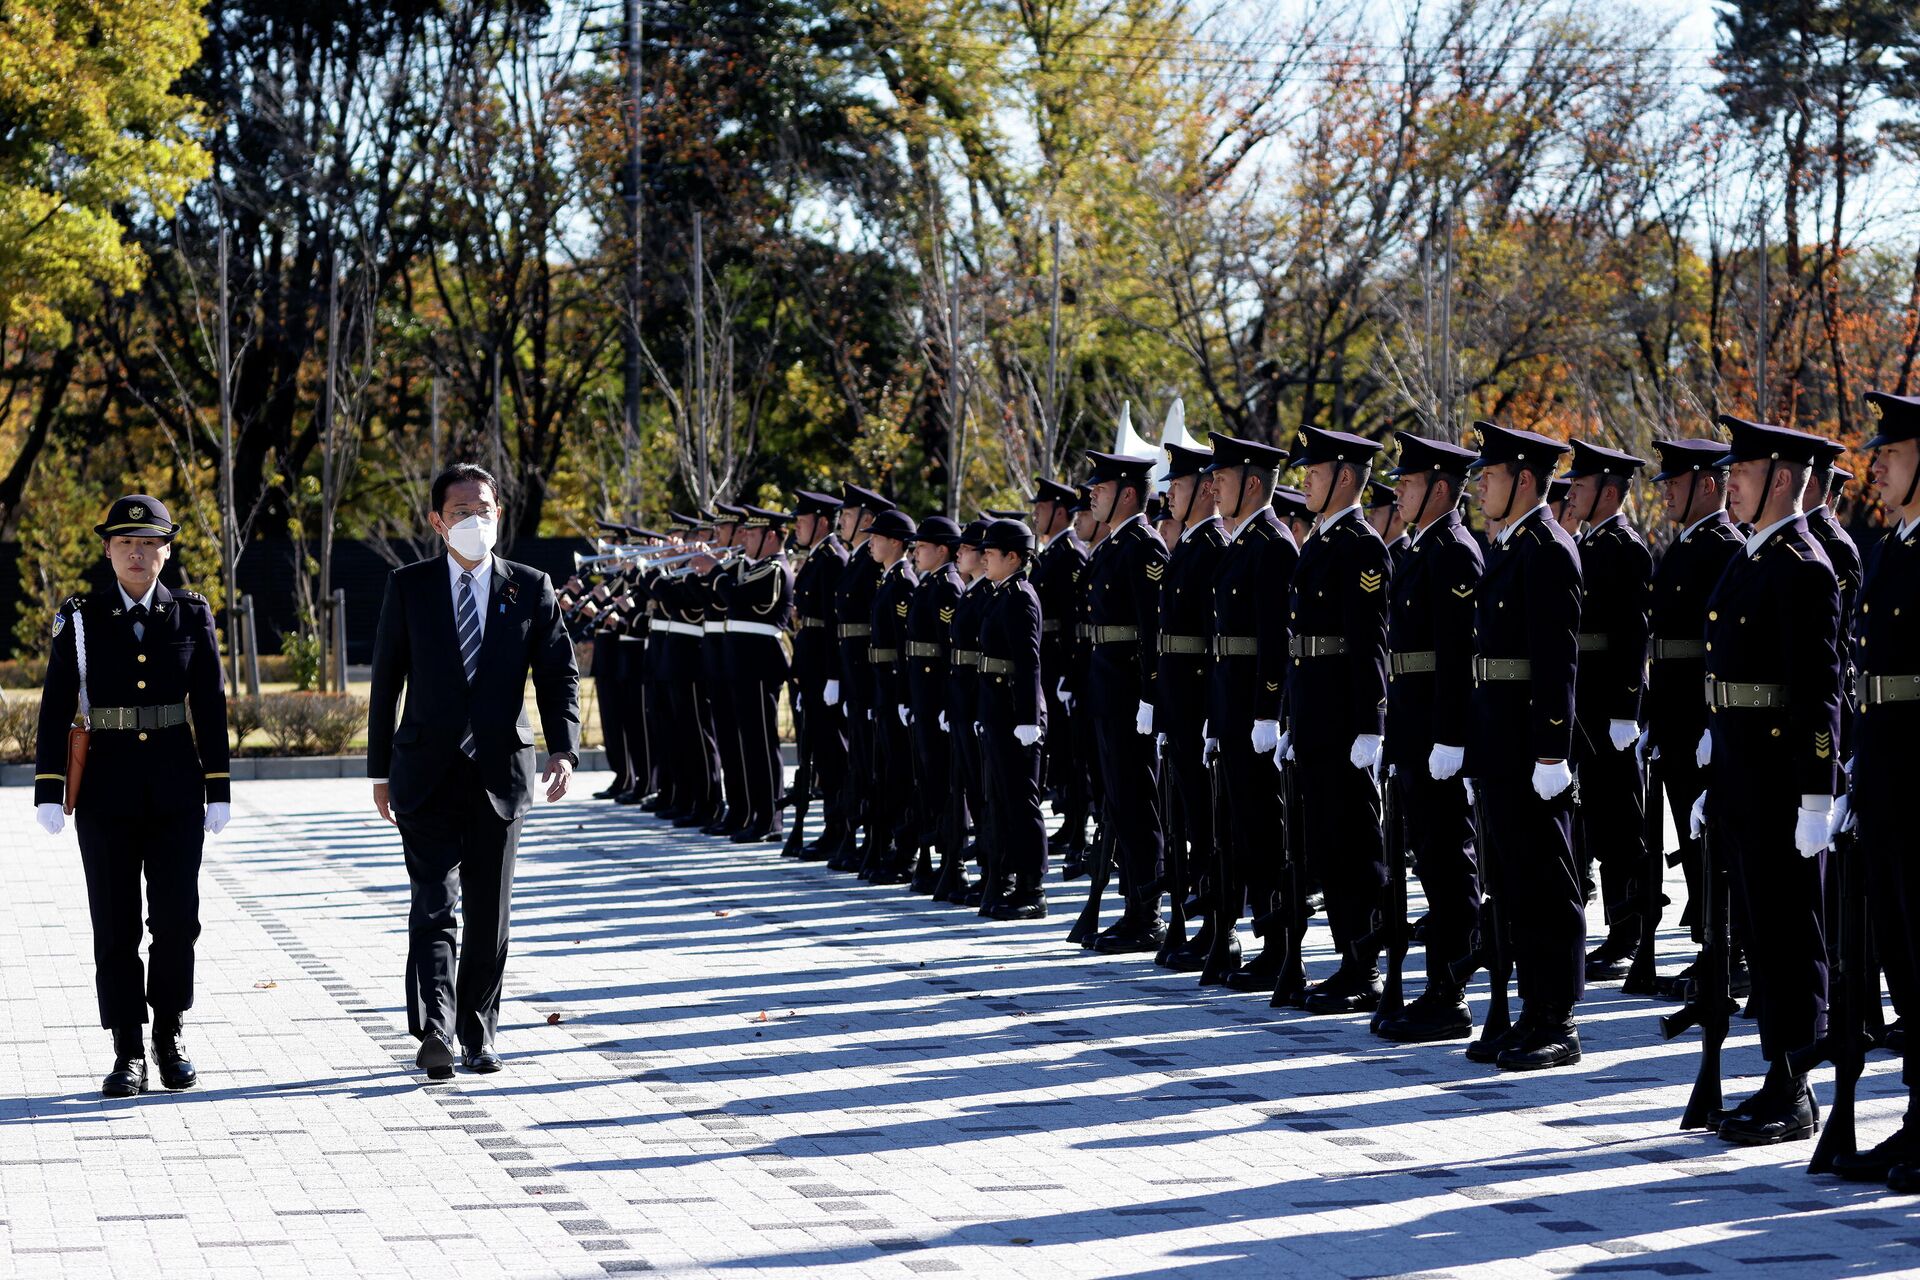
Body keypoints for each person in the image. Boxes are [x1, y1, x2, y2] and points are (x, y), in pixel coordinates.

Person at [367, 463, 580, 1079]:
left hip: (500, 773)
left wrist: (562, 750)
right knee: (433, 904)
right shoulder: (409, 587)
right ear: (438, 521)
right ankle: (434, 1027)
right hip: (425, 772)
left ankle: (478, 1031)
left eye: (483, 508)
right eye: (460, 510)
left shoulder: (530, 587)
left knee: (489, 910)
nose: (474, 519)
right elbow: (385, 685)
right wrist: (379, 770)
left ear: (499, 515)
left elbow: (558, 673)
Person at [33, 495, 232, 1097]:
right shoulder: (82, 617)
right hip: (107, 791)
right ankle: (126, 1047)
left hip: (175, 786)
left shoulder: (192, 614)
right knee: (114, 923)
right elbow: (54, 704)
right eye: (126, 544)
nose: (138, 554)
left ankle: (168, 1033)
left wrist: (217, 786)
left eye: (150, 544)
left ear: (167, 550)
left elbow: (213, 705)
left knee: (177, 921)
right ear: (109, 551)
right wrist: (48, 785)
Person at [1693, 416, 1842, 1145]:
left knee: (1790, 932)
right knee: (1759, 931)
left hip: (1782, 784)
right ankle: (1776, 1072)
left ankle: (1797, 1081)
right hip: (1742, 775)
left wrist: (1818, 794)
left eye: (1742, 475)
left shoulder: (1803, 565)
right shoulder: (1749, 559)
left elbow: (1818, 694)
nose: (1731, 486)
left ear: (1780, 480)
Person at [1464, 422, 1584, 1070]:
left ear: (1525, 480)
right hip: (1499, 741)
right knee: (1509, 885)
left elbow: (1555, 661)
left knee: (1545, 884)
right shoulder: (1511, 547)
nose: (1482, 484)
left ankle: (1556, 1019)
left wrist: (1551, 752)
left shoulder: (1549, 549)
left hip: (1530, 749)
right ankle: (1527, 1009)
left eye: (1492, 474)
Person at [1831, 390, 1920, 1186]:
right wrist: (1855, 762)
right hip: (1889, 774)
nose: (1877, 464)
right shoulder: (1892, 546)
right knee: (1903, 959)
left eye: (1893, 452)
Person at [1277, 426, 1392, 1013]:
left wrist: (1371, 724)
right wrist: (1290, 718)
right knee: (1325, 839)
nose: (1305, 481)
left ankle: (1363, 961)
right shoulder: (1321, 542)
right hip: (1315, 714)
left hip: (1346, 721)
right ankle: (1348, 952)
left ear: (1344, 477)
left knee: (1354, 843)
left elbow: (1368, 642)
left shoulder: (1360, 546)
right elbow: (1299, 641)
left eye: (1314, 472)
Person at [1374, 435, 1485, 1042]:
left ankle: (1451, 989)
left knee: (1449, 862)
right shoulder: (1418, 551)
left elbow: (1456, 656)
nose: (1400, 494)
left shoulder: (1456, 554)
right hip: (1413, 732)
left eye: (1409, 484)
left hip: (1438, 739)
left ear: (1440, 490)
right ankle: (1437, 981)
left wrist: (1451, 738)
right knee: (1430, 859)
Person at [1641, 439, 1744, 997]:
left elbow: (1721, 644)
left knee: (1713, 839)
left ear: (1709, 484)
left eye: (1675, 485)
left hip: (1702, 716)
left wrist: (1712, 723)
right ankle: (1712, 944)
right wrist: (1653, 716)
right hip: (1677, 714)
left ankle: (1729, 947)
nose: (1666, 497)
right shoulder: (1684, 547)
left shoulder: (1725, 547)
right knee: (1689, 829)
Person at [1198, 433, 1296, 986]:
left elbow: (1275, 638)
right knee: (1238, 827)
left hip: (1255, 711)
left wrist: (1268, 711)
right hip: (1231, 706)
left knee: (1265, 829)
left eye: (1224, 478)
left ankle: (1281, 942)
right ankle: (1264, 936)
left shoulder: (1274, 544)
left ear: (1252, 484)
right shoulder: (1239, 543)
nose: (1214, 486)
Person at [1558, 441, 1653, 983]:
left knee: (1618, 822)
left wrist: (1626, 709)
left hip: (1606, 707)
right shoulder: (1584, 543)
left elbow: (1631, 635)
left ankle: (1628, 927)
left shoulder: (1624, 547)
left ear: (1610, 492)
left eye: (1583, 484)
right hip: (1580, 702)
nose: (1572, 492)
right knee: (1588, 817)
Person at [1081, 448, 1170, 952]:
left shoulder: (1143, 547)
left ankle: (1147, 909)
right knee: (1118, 800)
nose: (1093, 492)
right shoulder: (1112, 546)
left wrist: (1150, 695)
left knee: (1138, 802)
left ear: (1129, 494)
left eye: (1102, 485)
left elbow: (1153, 629)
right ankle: (1133, 904)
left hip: (1130, 695)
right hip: (1106, 691)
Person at [1152, 440, 1226, 965]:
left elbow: (1214, 643)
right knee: (1192, 821)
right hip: (1180, 705)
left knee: (1210, 821)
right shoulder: (1188, 547)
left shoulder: (1214, 547)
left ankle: (1221, 926)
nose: (1171, 496)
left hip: (1201, 706)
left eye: (1177, 486)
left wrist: (1206, 715)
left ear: (1204, 488)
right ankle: (1204, 920)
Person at [975, 518, 1049, 919]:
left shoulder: (1021, 596)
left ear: (1014, 557)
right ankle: (1006, 880)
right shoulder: (999, 593)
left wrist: (1026, 717)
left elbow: (1028, 660)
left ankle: (1032, 889)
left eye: (992, 552)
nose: (984, 558)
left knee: (1023, 802)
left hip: (1015, 712)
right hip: (997, 708)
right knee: (1002, 800)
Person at [713, 506, 795, 843]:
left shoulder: (775, 570)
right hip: (742, 662)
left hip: (761, 663)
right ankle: (749, 812)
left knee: (761, 743)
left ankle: (769, 818)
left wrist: (716, 574)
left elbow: (738, 598)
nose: (745, 537)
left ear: (771, 536)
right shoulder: (752, 567)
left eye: (753, 533)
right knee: (744, 743)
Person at [827, 485, 894, 871]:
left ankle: (871, 834)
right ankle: (854, 832)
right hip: (851, 666)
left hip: (867, 671)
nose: (842, 523)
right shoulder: (858, 560)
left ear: (868, 520)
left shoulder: (874, 566)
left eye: (850, 517)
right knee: (859, 756)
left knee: (871, 758)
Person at [903, 515, 966, 892]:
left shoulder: (948, 587)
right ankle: (932, 857)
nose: (916, 553)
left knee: (942, 780)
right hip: (921, 695)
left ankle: (949, 858)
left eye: (922, 547)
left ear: (942, 550)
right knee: (925, 778)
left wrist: (945, 700)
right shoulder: (930, 584)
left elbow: (948, 650)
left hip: (936, 697)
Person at [1030, 479, 1090, 867]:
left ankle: (1078, 822)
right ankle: (1071, 822)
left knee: (1073, 749)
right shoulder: (1051, 553)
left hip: (1060, 663)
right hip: (1048, 664)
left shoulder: (1069, 553)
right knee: (1062, 748)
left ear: (1060, 511)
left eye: (1042, 508)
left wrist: (1070, 669)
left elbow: (1072, 618)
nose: (1036, 514)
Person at [789, 490, 850, 858]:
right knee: (821, 756)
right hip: (810, 669)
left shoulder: (832, 560)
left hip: (824, 671)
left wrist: (832, 675)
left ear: (822, 522)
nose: (797, 525)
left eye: (803, 519)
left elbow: (832, 624)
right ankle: (832, 827)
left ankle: (839, 828)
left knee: (833, 754)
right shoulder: (816, 558)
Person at [864, 507, 921, 883]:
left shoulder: (903, 582)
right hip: (881, 685)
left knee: (900, 771)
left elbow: (904, 647)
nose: (871, 542)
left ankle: (904, 852)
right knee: (884, 770)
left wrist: (901, 694)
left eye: (877, 537)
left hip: (894, 685)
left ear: (896, 543)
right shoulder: (887, 579)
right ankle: (885, 847)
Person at [1367, 478, 1411, 570]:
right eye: (1371, 511)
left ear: (1397, 517)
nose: (1369, 516)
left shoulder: (1405, 558)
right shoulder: (1381, 552)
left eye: (1376, 511)